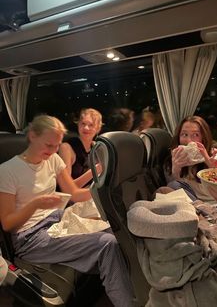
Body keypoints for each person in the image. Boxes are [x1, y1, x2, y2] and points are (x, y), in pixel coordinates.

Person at [0, 115, 134, 307]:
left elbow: (74, 193)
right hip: (29, 237)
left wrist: (103, 189)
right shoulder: (7, 171)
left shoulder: (53, 159)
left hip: (56, 219)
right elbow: (8, 223)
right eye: (48, 145)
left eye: (56, 145)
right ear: (32, 136)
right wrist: (36, 204)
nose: (53, 150)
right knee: (107, 243)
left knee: (113, 229)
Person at [163, 115, 217, 203]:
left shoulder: (216, 156)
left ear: (203, 138)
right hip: (192, 206)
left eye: (195, 135)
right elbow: (176, 192)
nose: (189, 141)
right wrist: (176, 171)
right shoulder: (171, 161)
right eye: (184, 134)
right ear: (178, 137)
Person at [59, 108, 103, 187]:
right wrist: (94, 171)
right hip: (74, 198)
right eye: (83, 123)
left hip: (91, 197)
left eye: (91, 125)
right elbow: (66, 187)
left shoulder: (97, 148)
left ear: (98, 128)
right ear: (78, 124)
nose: (86, 128)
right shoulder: (66, 148)